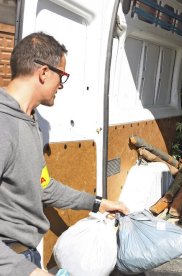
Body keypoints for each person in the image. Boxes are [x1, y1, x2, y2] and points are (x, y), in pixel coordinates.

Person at [0, 32, 129, 276]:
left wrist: (98, 204)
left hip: (25, 256)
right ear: (44, 73)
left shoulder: (29, 120)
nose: (61, 85)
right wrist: (24, 271)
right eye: (62, 76)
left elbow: (44, 186)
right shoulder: (3, 124)